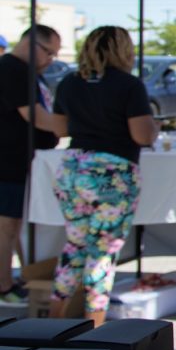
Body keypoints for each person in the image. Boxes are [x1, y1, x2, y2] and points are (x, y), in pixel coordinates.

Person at [49, 26, 158, 326]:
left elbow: (60, 129)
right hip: (111, 175)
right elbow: (142, 134)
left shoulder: (69, 82)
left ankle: (51, 323)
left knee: (74, 246)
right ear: (123, 50)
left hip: (73, 169)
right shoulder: (128, 85)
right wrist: (154, 128)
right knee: (102, 254)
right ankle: (94, 330)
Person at [0, 25, 64, 306]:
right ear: (31, 43)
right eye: (49, 52)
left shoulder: (24, 73)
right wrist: (75, 126)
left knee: (12, 227)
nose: (51, 60)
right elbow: (36, 117)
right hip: (7, 161)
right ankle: (4, 287)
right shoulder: (12, 70)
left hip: (20, 160)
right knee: (6, 227)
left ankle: (15, 279)